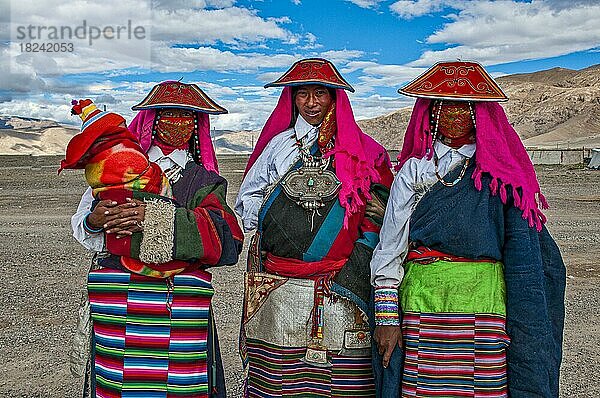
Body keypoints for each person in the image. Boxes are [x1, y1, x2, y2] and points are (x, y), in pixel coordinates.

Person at [370, 61, 566, 397]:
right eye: (445, 105)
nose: (454, 114)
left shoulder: (503, 176)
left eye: (464, 106)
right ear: (430, 112)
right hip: (422, 305)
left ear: (479, 114)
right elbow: (391, 246)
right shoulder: (415, 171)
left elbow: (523, 256)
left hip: (486, 307)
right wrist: (387, 317)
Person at [70, 81, 244, 398]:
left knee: (180, 387)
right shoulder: (117, 164)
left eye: (186, 114)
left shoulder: (205, 181)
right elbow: (83, 223)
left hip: (177, 304)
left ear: (197, 124)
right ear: (154, 118)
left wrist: (158, 219)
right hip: (119, 300)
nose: (177, 121)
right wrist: (96, 220)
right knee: (118, 383)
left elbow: (228, 238)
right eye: (168, 113)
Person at [235, 58, 394, 397]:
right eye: (302, 94)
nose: (310, 103)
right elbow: (247, 200)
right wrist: (277, 217)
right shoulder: (277, 147)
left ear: (334, 98)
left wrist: (353, 268)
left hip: (342, 283)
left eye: (319, 94)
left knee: (343, 381)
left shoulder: (367, 152)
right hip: (280, 286)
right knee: (279, 380)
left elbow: (380, 214)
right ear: (291, 98)